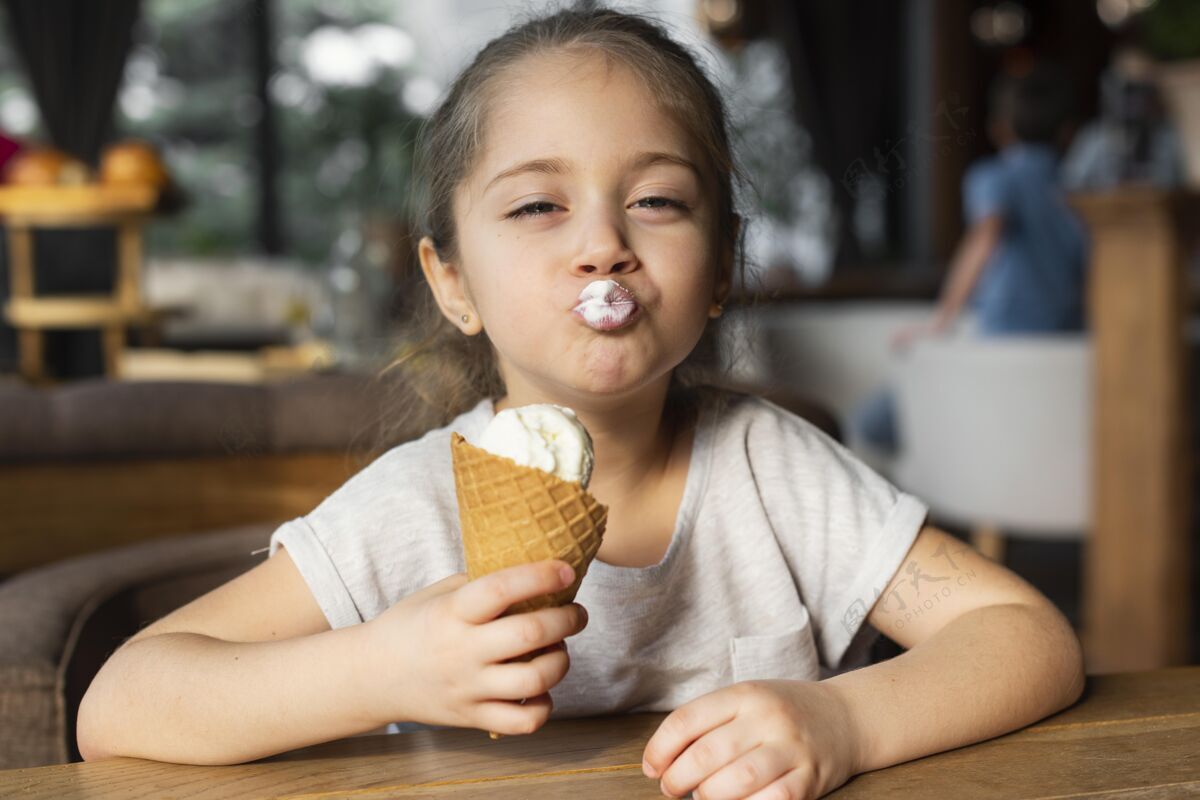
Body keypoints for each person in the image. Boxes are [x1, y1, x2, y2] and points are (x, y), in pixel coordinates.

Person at [76, 8, 1084, 798]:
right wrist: (378, 666)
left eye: (656, 199)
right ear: (452, 280)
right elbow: (124, 702)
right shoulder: (416, 506)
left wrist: (849, 722)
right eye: (537, 205)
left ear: (723, 263)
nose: (603, 243)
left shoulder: (777, 474)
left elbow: (1023, 634)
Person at [851, 63, 1090, 457]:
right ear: (1068, 133)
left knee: (870, 422)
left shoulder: (994, 178)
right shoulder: (1084, 195)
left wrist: (941, 320)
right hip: (1066, 363)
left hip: (998, 357)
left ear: (999, 129)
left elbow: (987, 233)